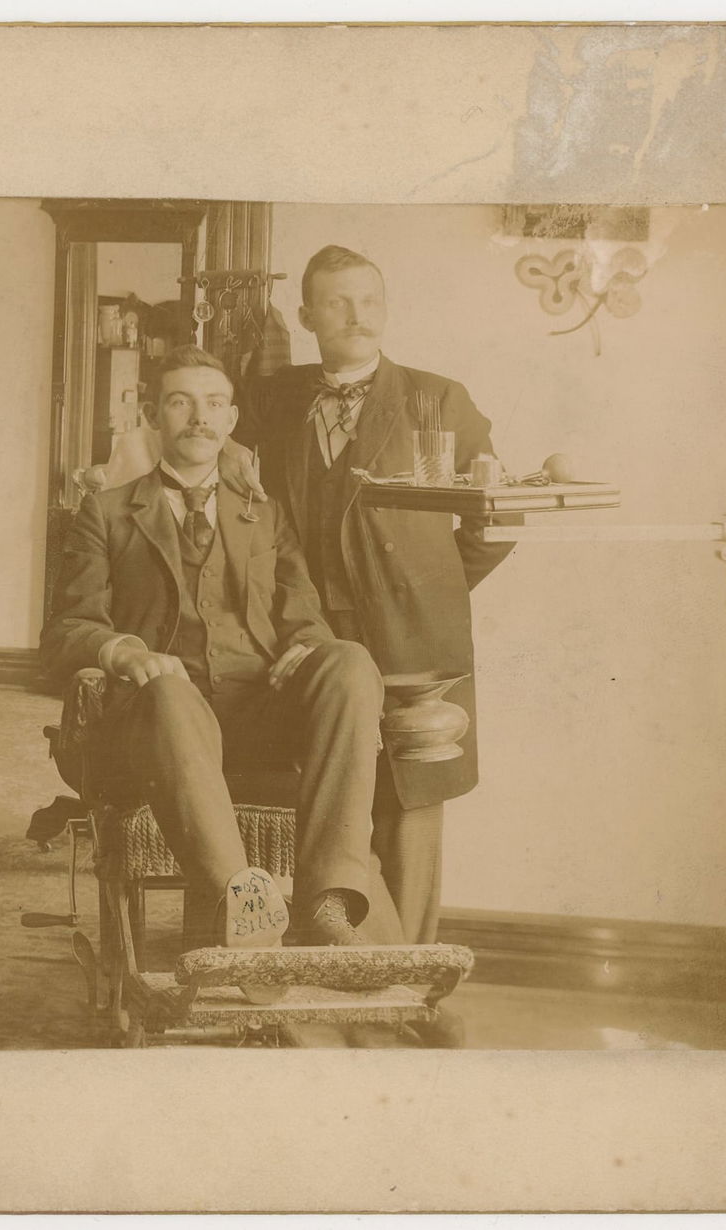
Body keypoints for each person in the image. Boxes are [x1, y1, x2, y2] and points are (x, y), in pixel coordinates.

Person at [42, 344, 405, 949]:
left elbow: (304, 617)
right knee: (169, 692)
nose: (199, 418)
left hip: (256, 713)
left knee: (349, 661)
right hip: (156, 723)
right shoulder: (104, 514)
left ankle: (329, 901)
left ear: (232, 421)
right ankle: (247, 907)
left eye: (214, 404)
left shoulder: (265, 514)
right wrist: (126, 651)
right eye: (181, 403)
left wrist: (308, 646)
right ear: (154, 417)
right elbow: (64, 633)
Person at [228, 244, 516, 945]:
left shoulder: (437, 397)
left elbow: (498, 513)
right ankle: (331, 958)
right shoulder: (270, 399)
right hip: (304, 632)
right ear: (306, 315)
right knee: (321, 790)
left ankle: (410, 981)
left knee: (409, 796)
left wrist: (427, 587)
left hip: (414, 633)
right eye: (337, 302)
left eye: (369, 300)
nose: (357, 316)